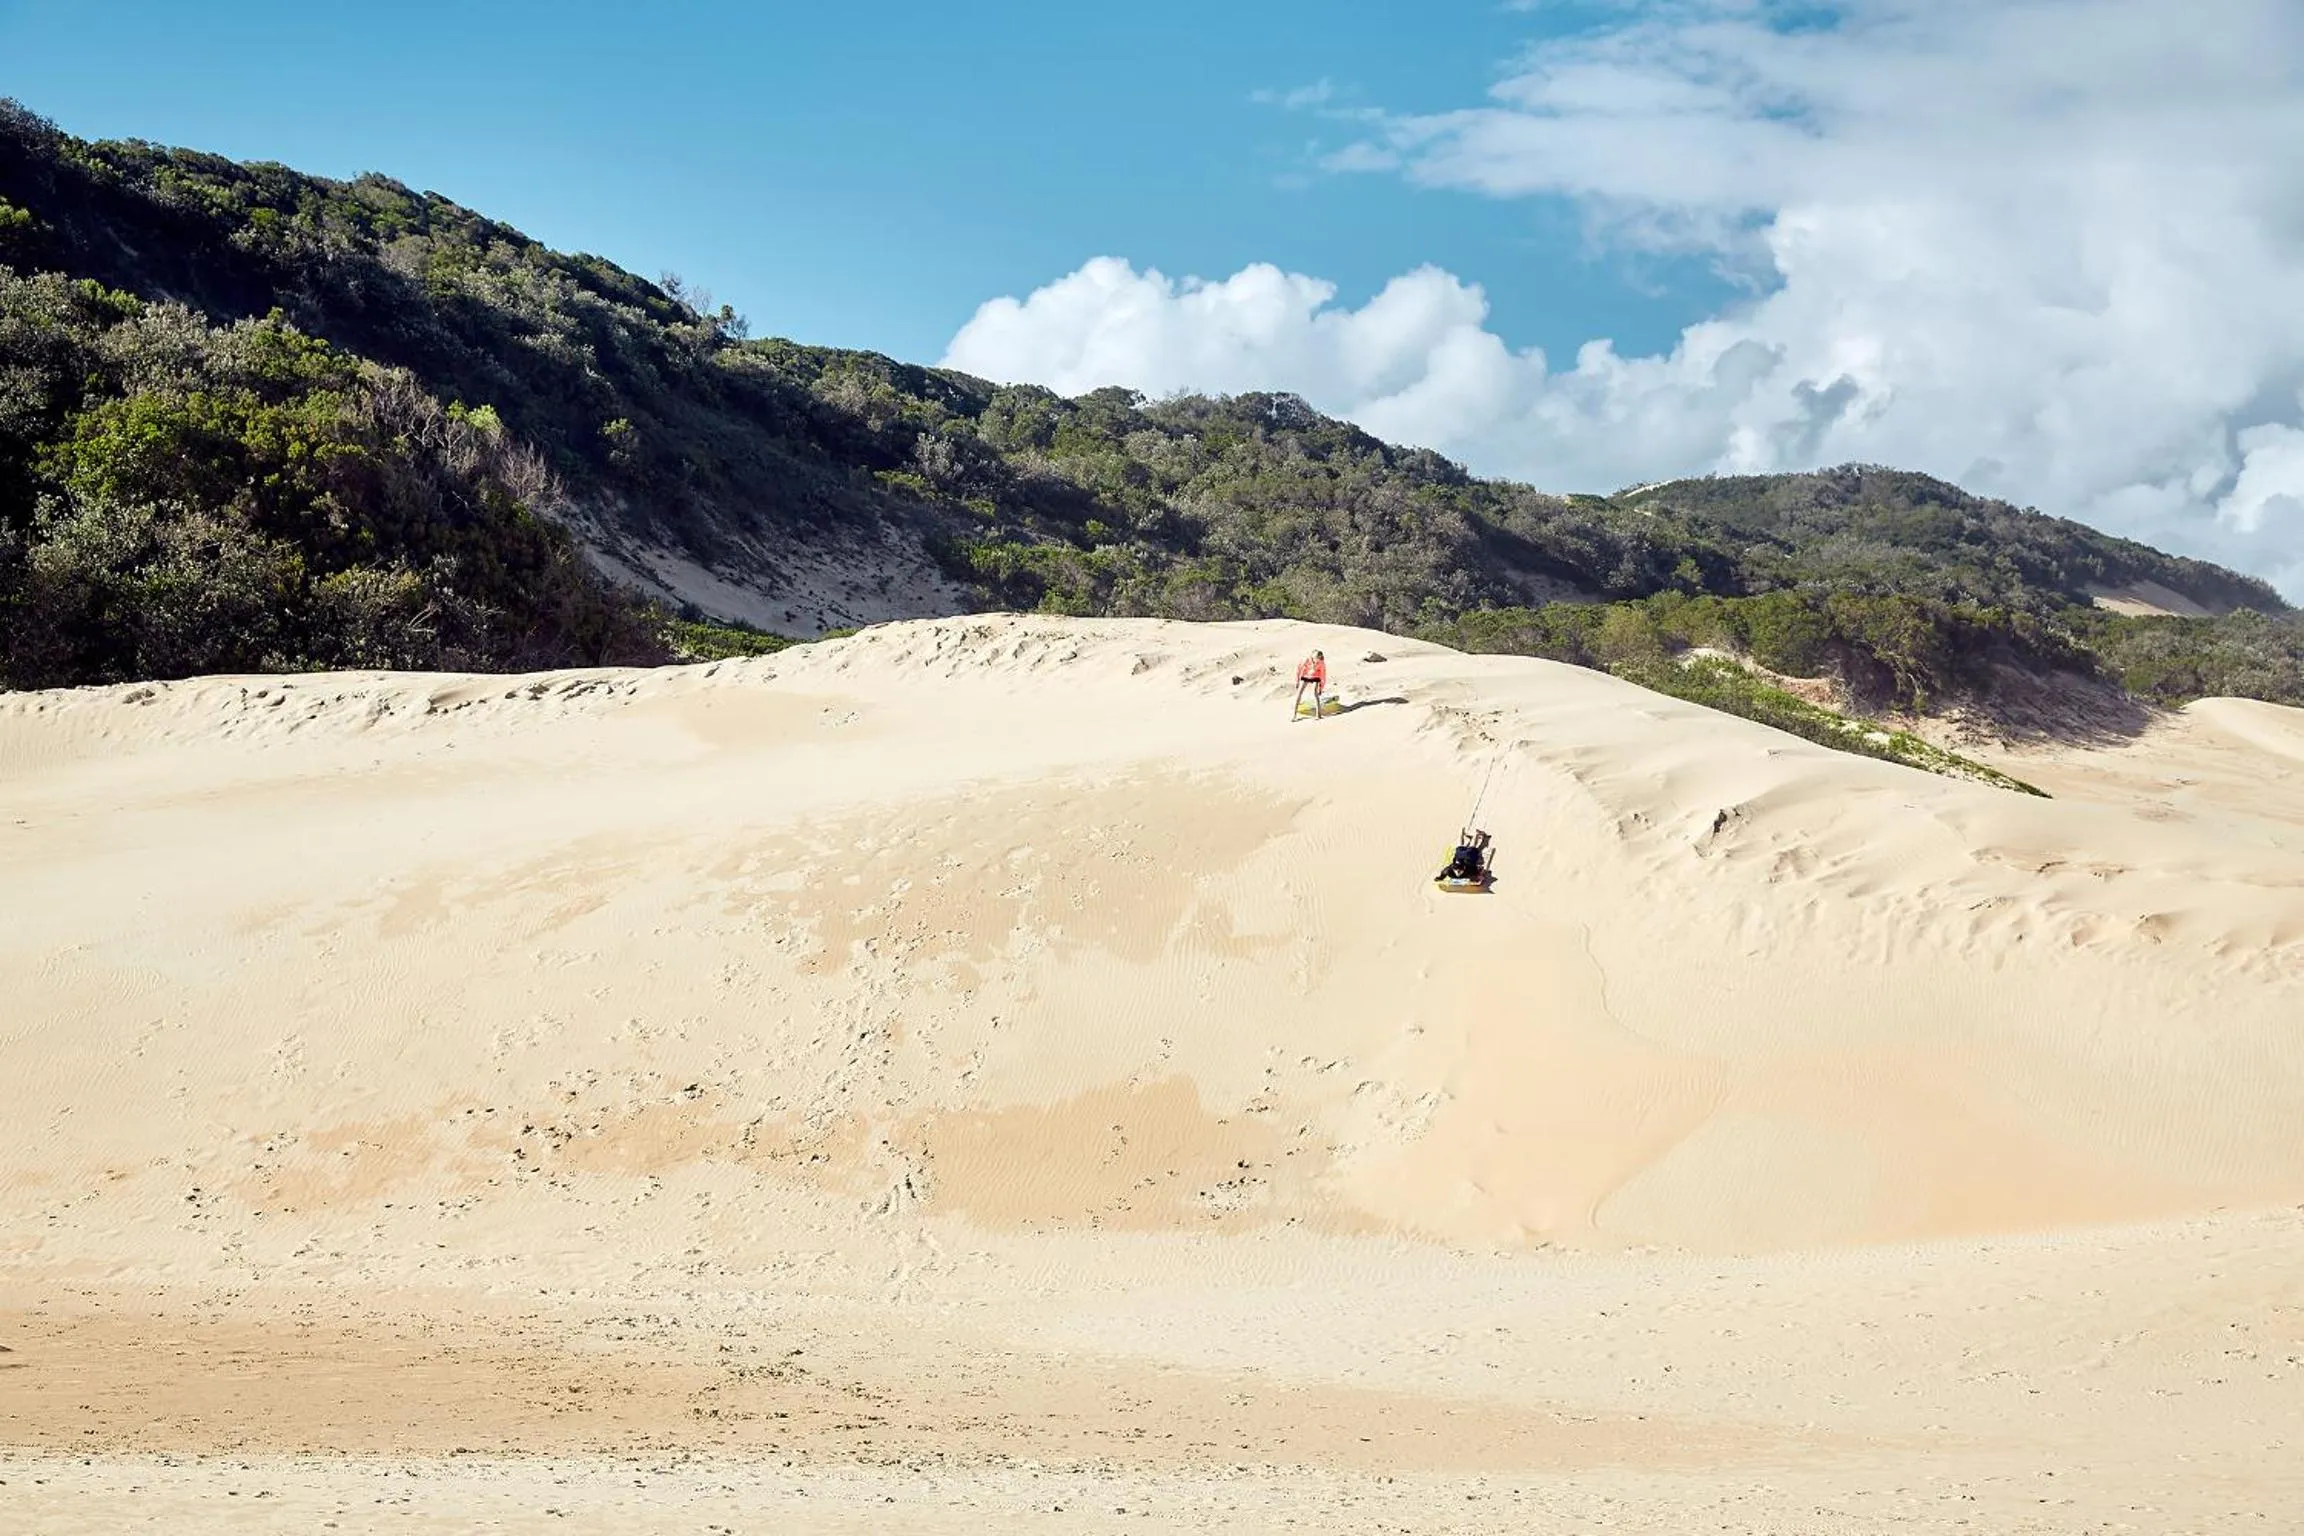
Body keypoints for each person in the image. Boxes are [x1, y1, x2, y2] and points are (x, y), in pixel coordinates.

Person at [1292, 650, 1328, 720]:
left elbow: (1323, 675)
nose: (1316, 661)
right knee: (1299, 693)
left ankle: (1318, 715)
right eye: (1315, 659)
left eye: (1318, 659)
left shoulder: (1321, 662)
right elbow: (1298, 669)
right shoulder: (1306, 660)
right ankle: (1294, 714)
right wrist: (1297, 681)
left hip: (1316, 676)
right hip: (1306, 675)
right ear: (1312, 656)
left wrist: (1321, 687)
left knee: (1315, 693)